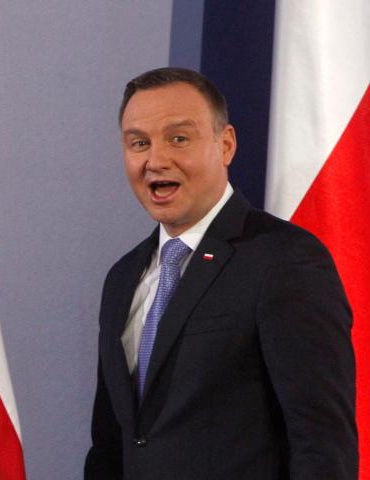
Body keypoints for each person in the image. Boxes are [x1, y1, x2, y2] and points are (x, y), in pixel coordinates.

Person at [85, 67, 357, 479]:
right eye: (139, 143)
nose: (156, 160)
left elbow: (322, 443)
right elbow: (110, 444)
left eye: (179, 138)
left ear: (225, 144)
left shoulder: (284, 260)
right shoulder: (122, 278)